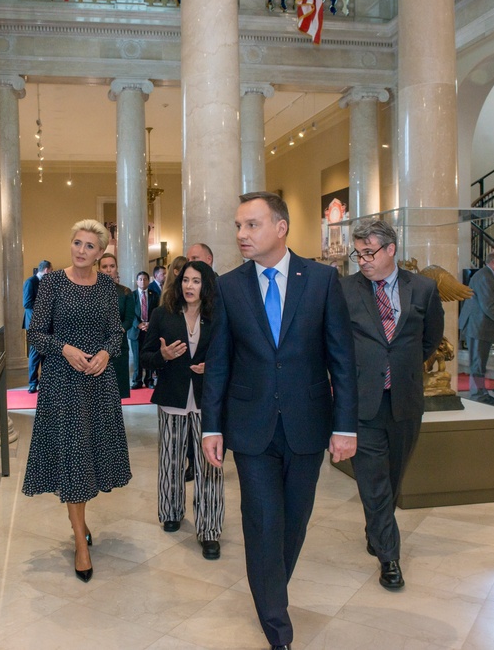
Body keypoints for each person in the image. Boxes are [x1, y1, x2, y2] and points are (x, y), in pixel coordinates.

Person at [202, 191, 357, 650]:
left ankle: (271, 587)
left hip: (308, 422)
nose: (241, 235)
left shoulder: (323, 281)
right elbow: (219, 363)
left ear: (281, 227)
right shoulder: (229, 287)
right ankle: (277, 624)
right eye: (238, 226)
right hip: (250, 427)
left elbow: (342, 360)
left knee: (295, 521)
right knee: (263, 520)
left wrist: (345, 426)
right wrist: (212, 426)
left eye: (251, 225)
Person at [22, 220, 132, 583]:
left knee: (90, 457)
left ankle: (80, 526)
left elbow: (116, 331)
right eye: (76, 243)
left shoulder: (105, 286)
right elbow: (36, 332)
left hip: (98, 384)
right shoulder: (52, 282)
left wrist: (105, 352)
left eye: (89, 246)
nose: (81, 250)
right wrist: (65, 349)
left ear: (101, 253)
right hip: (61, 381)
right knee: (73, 458)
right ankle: (80, 543)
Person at [341, 220, 444, 590]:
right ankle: (389, 558)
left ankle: (376, 529)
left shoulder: (424, 289)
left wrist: (402, 367)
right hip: (362, 405)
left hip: (404, 402)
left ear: (391, 250)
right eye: (358, 253)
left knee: (393, 476)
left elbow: (431, 339)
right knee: (375, 483)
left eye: (369, 252)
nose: (363, 260)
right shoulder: (345, 290)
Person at [141, 260, 225, 559]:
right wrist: (162, 355)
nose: (189, 286)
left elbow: (233, 357)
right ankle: (171, 511)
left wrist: (212, 368)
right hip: (172, 397)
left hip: (207, 401)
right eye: (186, 280)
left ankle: (210, 530)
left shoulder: (217, 317)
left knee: (209, 465)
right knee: (170, 459)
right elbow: (146, 356)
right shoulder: (163, 314)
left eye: (197, 281)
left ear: (206, 286)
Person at [459, 250, 494, 406]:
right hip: (478, 327)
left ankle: (481, 393)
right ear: (493, 262)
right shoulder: (485, 276)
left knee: (480, 363)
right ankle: (478, 395)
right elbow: (488, 305)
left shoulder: (488, 275)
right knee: (477, 364)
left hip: (480, 327)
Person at [98, 253, 135, 399]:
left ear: (116, 269)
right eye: (105, 266)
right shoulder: (92, 291)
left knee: (117, 390)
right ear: (99, 269)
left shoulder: (125, 292)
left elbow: (129, 318)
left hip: (119, 344)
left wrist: (118, 330)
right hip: (97, 344)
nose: (108, 270)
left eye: (112, 266)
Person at [23, 260, 52, 393]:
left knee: (46, 353)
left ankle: (45, 382)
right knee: (35, 354)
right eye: (51, 270)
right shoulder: (30, 282)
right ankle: (33, 383)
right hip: (34, 324)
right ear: (46, 270)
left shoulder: (47, 283)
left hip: (46, 324)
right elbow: (27, 303)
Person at [129, 271, 160, 389]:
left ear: (148, 281)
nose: (143, 281)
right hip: (136, 331)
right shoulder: (131, 296)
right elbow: (129, 313)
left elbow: (157, 312)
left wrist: (149, 324)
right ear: (137, 281)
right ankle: (137, 380)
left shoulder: (154, 295)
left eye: (145, 279)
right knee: (137, 357)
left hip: (149, 330)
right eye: (140, 279)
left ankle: (149, 380)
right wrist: (138, 324)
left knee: (149, 355)